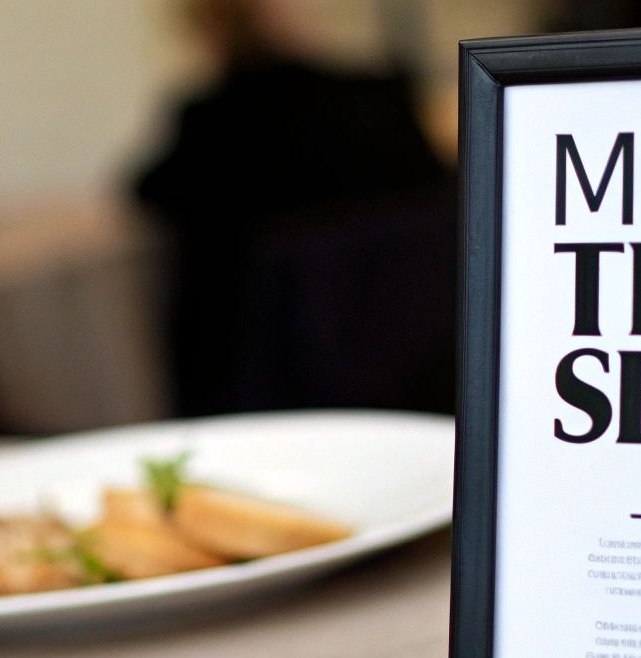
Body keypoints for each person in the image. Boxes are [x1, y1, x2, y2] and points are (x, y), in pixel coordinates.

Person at [132, 0, 452, 416]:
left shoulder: (213, 123)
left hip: (265, 381)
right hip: (416, 358)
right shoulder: (376, 98)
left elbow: (147, 194)